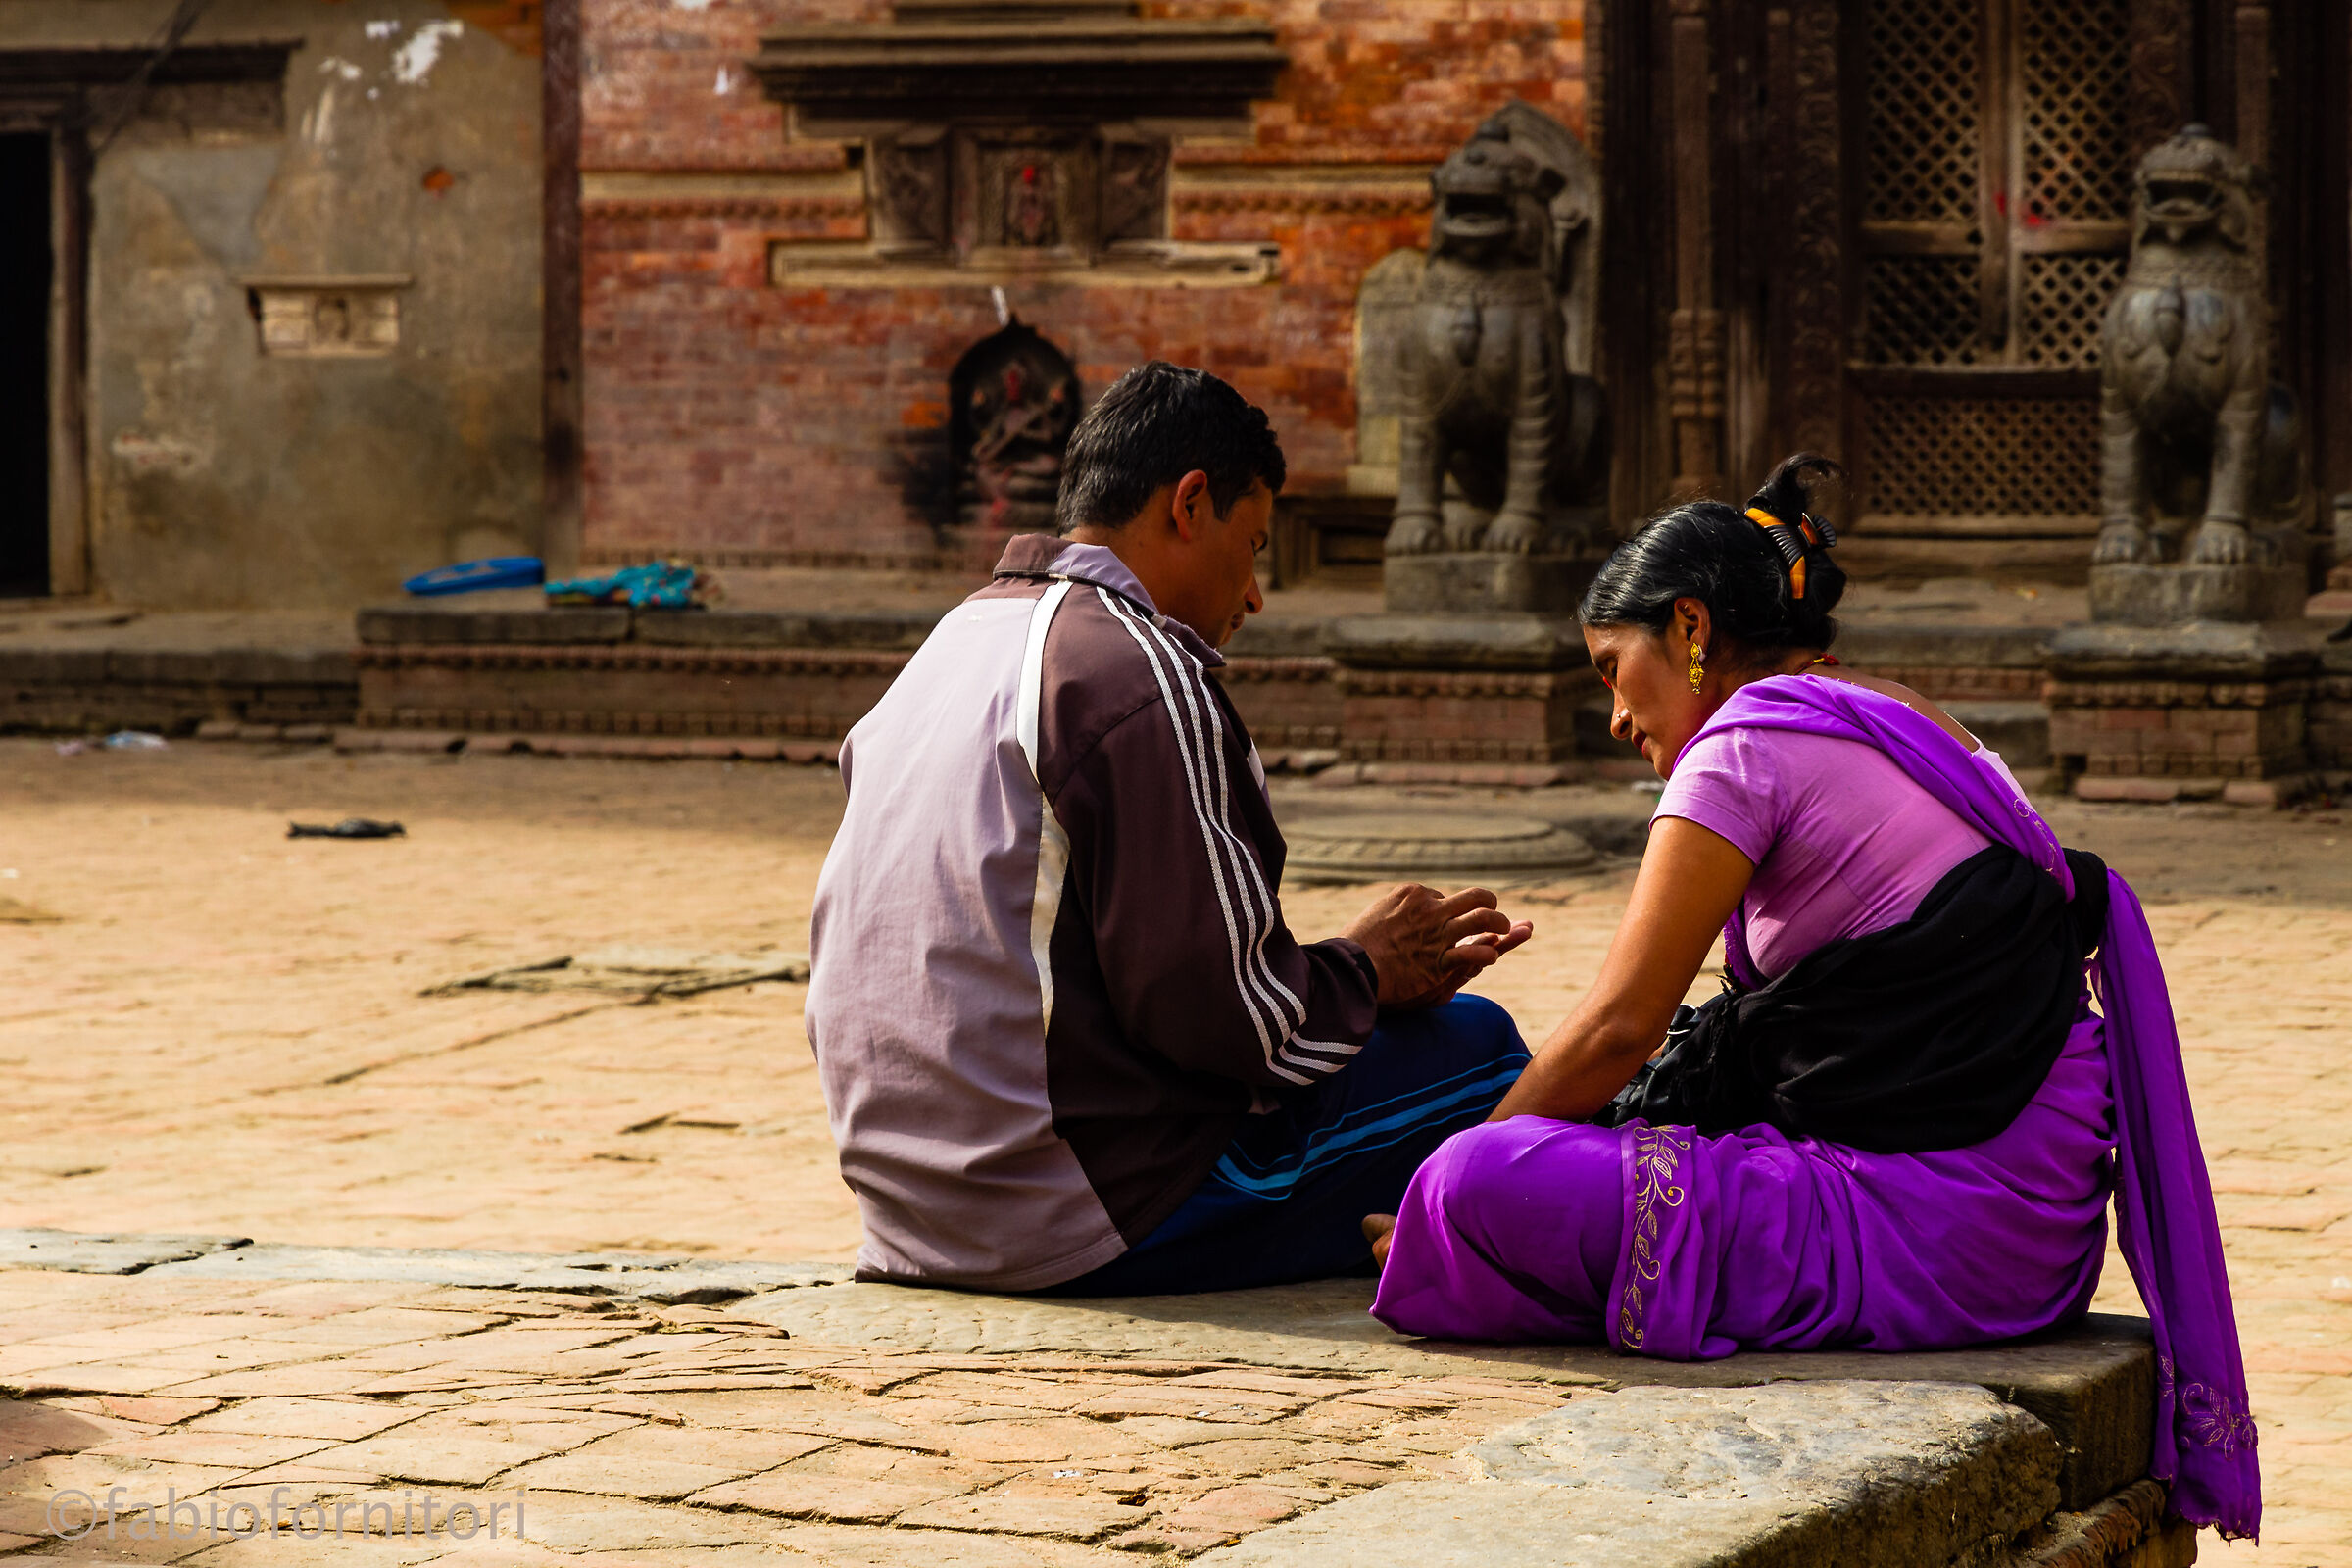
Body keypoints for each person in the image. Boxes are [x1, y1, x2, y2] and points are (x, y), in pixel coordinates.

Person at [1365, 455, 2261, 1542]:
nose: (1614, 716)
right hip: (2044, 1239)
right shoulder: (1899, 712)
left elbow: (1616, 1027)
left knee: (1481, 1176)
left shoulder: (1741, 745)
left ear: (1690, 628)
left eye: (1614, 667)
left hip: (1939, 1216)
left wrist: (1436, 1196)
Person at [807, 362, 1534, 1298]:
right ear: (1192, 503)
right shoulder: (1137, 671)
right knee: (1482, 1057)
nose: (1257, 592)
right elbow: (1223, 1019)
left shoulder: (952, 643)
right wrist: (1366, 971)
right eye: (1256, 543)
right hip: (1079, 1208)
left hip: (911, 1210)